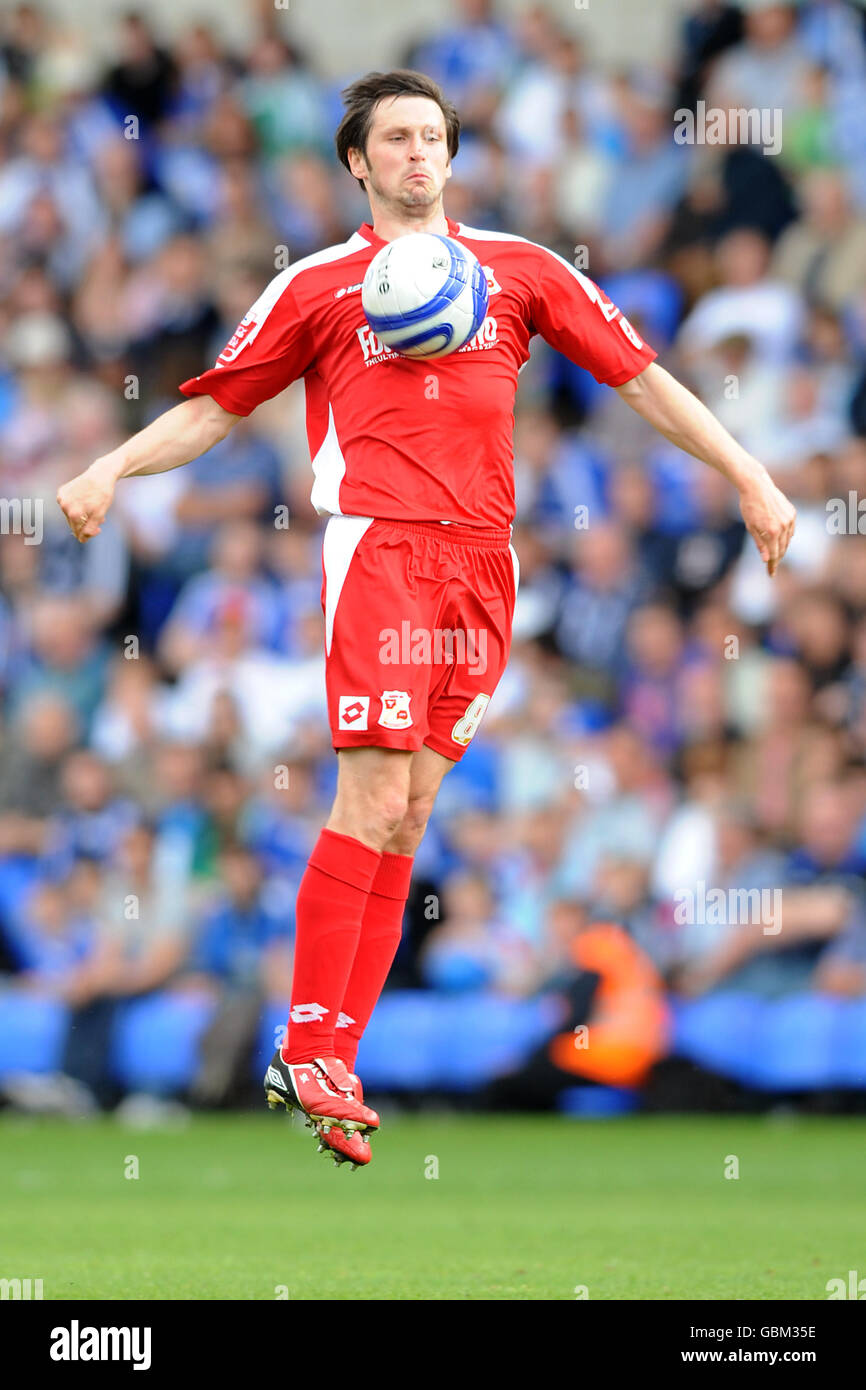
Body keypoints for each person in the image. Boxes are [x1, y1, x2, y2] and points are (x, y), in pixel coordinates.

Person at [56, 69, 796, 1170]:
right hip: (381, 550)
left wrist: (746, 471)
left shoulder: (522, 270)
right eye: (394, 138)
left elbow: (639, 377)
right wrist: (111, 465)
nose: (416, 153)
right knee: (370, 789)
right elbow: (215, 406)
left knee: (409, 815)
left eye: (431, 137)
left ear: (451, 155)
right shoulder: (317, 285)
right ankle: (308, 1043)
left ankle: (327, 1058)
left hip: (482, 570)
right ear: (357, 161)